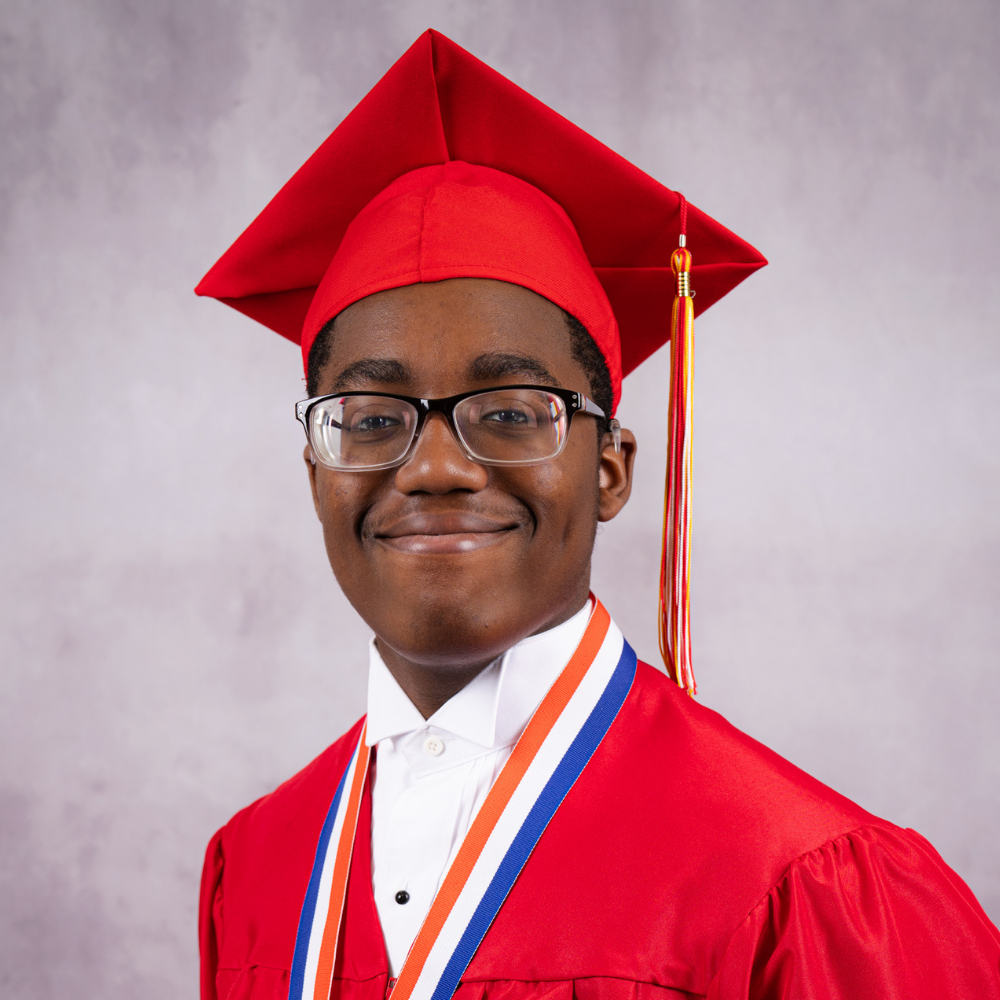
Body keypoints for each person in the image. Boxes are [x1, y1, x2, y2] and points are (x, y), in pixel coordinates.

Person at [195, 29, 1000, 1000]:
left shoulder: (802, 881)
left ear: (611, 469)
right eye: (369, 419)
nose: (437, 466)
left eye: (509, 412)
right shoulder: (259, 866)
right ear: (315, 469)